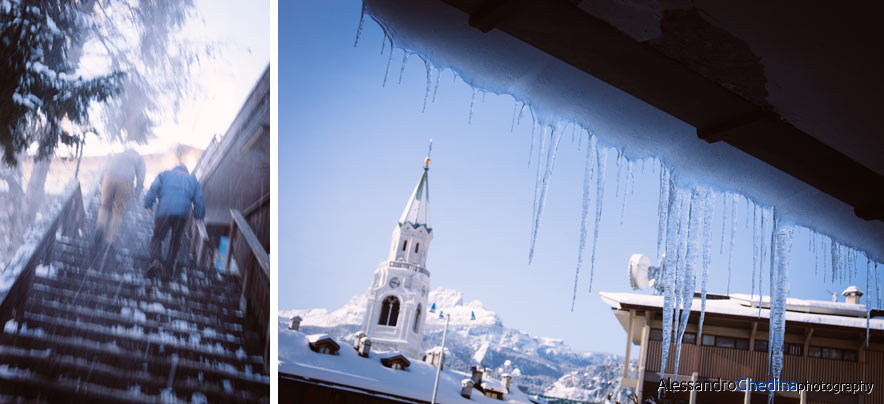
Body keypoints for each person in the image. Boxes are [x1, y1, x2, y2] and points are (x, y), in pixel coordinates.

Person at [143, 164, 205, 279]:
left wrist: (148, 204)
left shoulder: (165, 174)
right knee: (175, 241)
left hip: (164, 211)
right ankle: (167, 270)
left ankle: (156, 260)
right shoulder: (192, 180)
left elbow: (154, 187)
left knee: (157, 237)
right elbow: (199, 198)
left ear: (175, 169)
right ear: (186, 171)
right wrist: (198, 216)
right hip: (181, 214)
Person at [92, 148, 145, 266]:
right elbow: (141, 175)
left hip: (108, 178)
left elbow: (105, 166)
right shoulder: (138, 158)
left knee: (104, 206)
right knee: (118, 212)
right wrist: (138, 190)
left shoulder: (117, 154)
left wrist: (103, 181)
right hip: (125, 182)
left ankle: (100, 228)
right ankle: (110, 241)